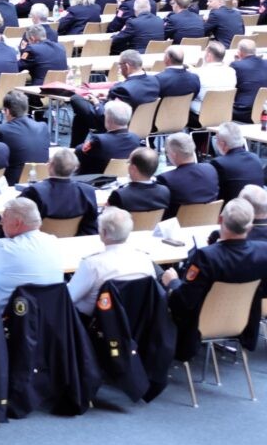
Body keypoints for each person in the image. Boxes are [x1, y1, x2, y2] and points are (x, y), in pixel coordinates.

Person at [161, 198, 267, 357]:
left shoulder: (207, 257)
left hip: (197, 323)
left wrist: (173, 282)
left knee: (157, 281)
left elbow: (184, 301)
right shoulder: (262, 251)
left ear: (220, 219)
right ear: (250, 226)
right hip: (240, 320)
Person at [66, 207, 158, 315]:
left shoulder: (91, 264)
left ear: (104, 232)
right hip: (137, 320)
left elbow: (69, 297)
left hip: (96, 323)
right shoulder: (145, 259)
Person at [0, 197, 63, 305]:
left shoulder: (2, 248)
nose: (1, 222)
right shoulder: (54, 242)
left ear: (17, 223)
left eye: (4, 217)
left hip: (6, 318)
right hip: (50, 316)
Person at [23, 148, 99, 236]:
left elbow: (18, 220)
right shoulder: (88, 191)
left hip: (38, 244)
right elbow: (91, 225)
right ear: (75, 168)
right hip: (75, 243)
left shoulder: (34, 192)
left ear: (50, 165)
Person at [157, 131, 221, 218]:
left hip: (178, 227)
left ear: (173, 155)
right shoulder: (211, 169)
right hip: (208, 222)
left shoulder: (166, 179)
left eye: (167, 153)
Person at [0, 90, 51, 184]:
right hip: (40, 181)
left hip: (13, 183)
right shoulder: (43, 127)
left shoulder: (1, 130)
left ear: (7, 111)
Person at [76, 100, 144, 175]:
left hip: (95, 179)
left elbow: (79, 151)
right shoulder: (135, 138)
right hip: (122, 178)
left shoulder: (99, 140)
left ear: (108, 119)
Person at [107, 148, 171, 214]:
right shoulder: (165, 191)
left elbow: (107, 216)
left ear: (133, 168)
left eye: (129, 162)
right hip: (153, 224)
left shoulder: (119, 194)